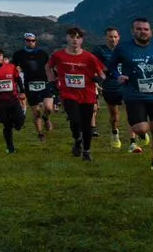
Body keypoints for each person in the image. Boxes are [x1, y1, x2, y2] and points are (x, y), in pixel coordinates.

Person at [110, 17, 153, 168]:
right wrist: (118, 76)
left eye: (146, 29)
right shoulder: (123, 48)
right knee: (141, 128)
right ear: (133, 31)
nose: (143, 32)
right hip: (134, 94)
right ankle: (142, 133)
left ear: (151, 32)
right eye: (139, 29)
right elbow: (111, 67)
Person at [47, 26, 109, 159]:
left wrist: (99, 78)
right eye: (72, 37)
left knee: (87, 125)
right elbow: (48, 67)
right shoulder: (58, 55)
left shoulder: (89, 57)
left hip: (87, 94)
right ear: (67, 38)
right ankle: (77, 140)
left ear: (82, 40)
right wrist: (52, 82)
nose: (75, 40)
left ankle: (86, 151)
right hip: (68, 93)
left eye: (78, 37)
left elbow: (103, 74)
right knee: (75, 119)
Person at [10, 32, 56, 142]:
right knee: (36, 112)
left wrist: (52, 81)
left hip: (44, 83)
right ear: (24, 41)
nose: (31, 42)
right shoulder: (18, 54)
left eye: (33, 40)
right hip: (29, 85)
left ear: (35, 41)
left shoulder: (42, 53)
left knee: (49, 108)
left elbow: (48, 68)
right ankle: (40, 134)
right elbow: (13, 69)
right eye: (28, 40)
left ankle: (46, 118)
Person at [92, 26, 127, 148]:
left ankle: (134, 140)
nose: (113, 39)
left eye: (115, 36)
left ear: (119, 37)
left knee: (133, 111)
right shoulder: (99, 50)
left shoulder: (125, 50)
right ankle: (114, 132)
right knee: (114, 116)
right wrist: (103, 71)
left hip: (127, 85)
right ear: (106, 38)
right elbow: (93, 65)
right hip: (111, 85)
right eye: (110, 37)